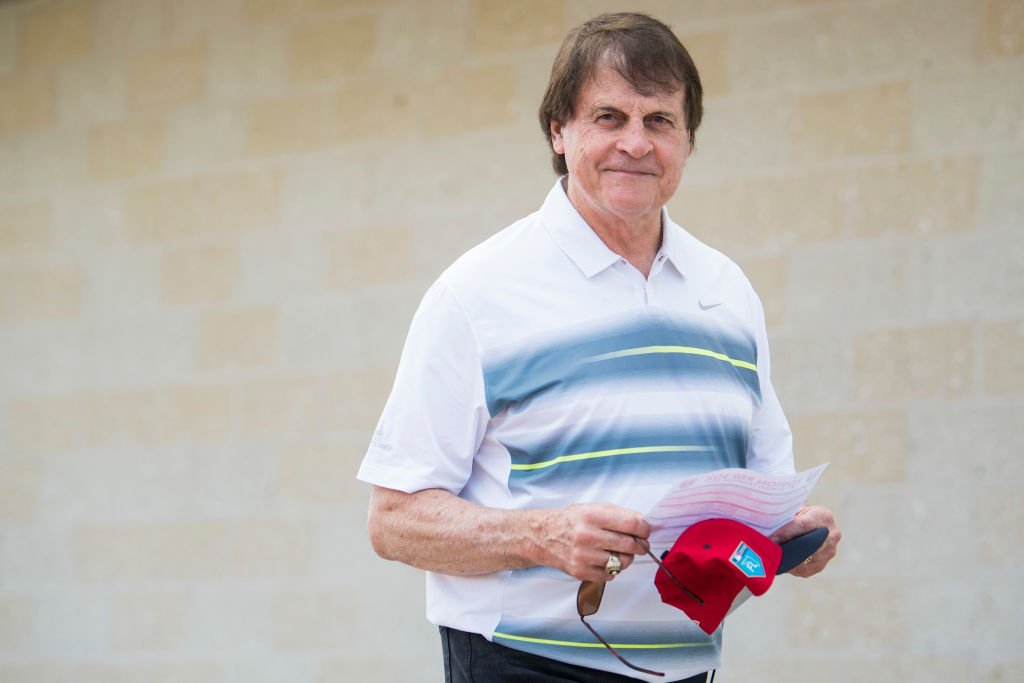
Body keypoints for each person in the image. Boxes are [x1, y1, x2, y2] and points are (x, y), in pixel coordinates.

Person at [358, 12, 841, 683]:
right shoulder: (475, 292)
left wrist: (791, 531)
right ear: (559, 132)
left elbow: (761, 488)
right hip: (522, 664)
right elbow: (394, 520)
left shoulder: (728, 291)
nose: (635, 144)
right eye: (609, 117)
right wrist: (539, 535)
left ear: (688, 140)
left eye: (660, 120)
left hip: (688, 668)